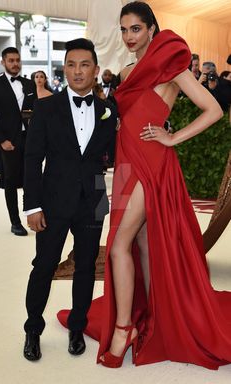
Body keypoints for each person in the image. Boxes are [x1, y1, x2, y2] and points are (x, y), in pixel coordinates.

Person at [57, 2, 231, 370]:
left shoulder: (170, 64)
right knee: (140, 242)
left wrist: (172, 138)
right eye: (123, 30)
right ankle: (157, 317)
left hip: (151, 163)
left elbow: (213, 109)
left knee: (118, 243)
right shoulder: (124, 69)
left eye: (135, 28)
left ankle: (124, 329)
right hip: (124, 162)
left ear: (152, 28)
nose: (128, 36)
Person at [22, 38, 117, 361]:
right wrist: (32, 206)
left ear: (96, 70)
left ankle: (78, 326)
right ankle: (33, 329)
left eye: (84, 64)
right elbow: (32, 159)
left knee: (87, 267)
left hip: (93, 198)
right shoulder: (46, 107)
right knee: (44, 265)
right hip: (52, 201)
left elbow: (118, 156)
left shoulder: (108, 110)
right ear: (64, 68)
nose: (77, 71)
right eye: (71, 65)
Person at [0, 47, 37, 236]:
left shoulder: (29, 84)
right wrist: (1, 140)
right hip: (8, 141)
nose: (15, 64)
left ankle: (32, 215)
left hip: (30, 139)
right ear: (3, 62)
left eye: (17, 60)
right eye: (11, 60)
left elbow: (37, 112)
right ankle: (15, 221)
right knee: (11, 181)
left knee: (32, 178)